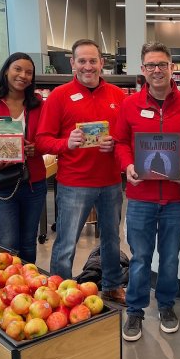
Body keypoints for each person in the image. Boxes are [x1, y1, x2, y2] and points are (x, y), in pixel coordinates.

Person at [114, 42, 180, 342]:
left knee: (169, 257)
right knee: (140, 257)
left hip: (175, 199)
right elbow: (121, 142)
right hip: (141, 198)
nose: (156, 70)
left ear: (172, 68)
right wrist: (127, 166)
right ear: (142, 70)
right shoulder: (130, 106)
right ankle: (135, 312)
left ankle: (166, 306)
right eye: (150, 65)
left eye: (162, 65)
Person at [35, 39, 126, 304]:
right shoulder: (59, 97)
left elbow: (126, 137)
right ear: (73, 63)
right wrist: (66, 143)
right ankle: (59, 292)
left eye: (93, 60)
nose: (88, 66)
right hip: (74, 183)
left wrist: (115, 143)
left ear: (102, 63)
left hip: (110, 182)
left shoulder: (117, 96)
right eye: (82, 61)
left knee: (111, 238)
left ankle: (110, 285)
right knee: (66, 242)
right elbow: (42, 140)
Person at [0, 52, 46, 263]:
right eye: (18, 69)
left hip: (33, 183)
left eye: (29, 72)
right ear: (7, 70)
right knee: (7, 245)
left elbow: (48, 136)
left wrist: (37, 148)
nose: (23, 75)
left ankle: (28, 289)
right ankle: (8, 290)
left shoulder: (38, 105)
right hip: (2, 185)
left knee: (28, 243)